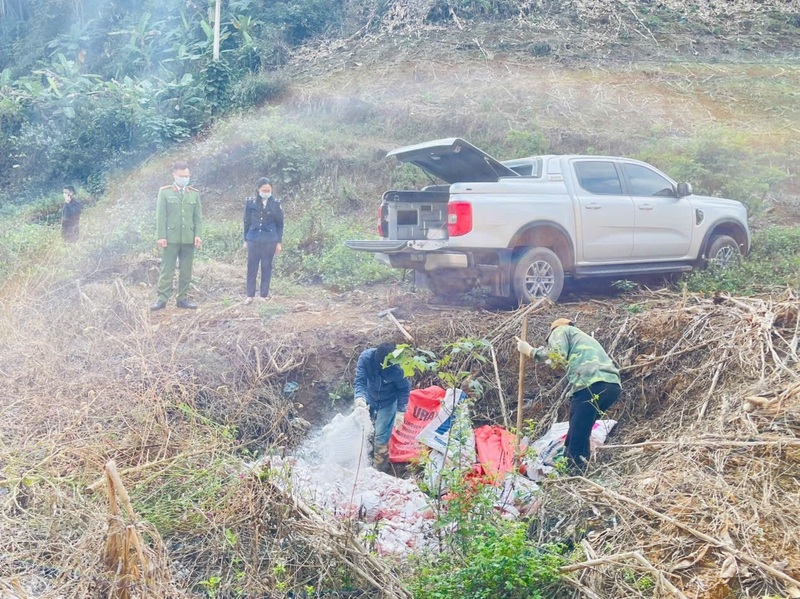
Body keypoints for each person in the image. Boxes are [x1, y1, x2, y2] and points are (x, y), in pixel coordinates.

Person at [516, 318, 621, 472]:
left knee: (577, 432)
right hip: (612, 386)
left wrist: (531, 351)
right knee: (580, 428)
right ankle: (579, 469)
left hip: (590, 383)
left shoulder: (560, 330)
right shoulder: (584, 337)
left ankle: (572, 473)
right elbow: (563, 359)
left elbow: (557, 353)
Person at [151, 161, 202, 311]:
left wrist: (198, 235)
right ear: (174, 175)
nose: (184, 178)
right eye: (181, 176)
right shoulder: (165, 192)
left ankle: (182, 299)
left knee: (186, 270)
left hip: (188, 238)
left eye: (186, 176)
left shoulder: (194, 193)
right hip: (170, 238)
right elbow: (161, 216)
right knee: (167, 269)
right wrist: (161, 236)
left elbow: (197, 217)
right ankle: (162, 299)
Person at [353, 342, 411, 470]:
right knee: (365, 430)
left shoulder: (398, 367)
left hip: (388, 402)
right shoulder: (366, 358)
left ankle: (378, 470)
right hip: (369, 398)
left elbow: (404, 389)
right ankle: (364, 460)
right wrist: (359, 398)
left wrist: (401, 411)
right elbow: (360, 380)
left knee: (381, 437)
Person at [243, 177, 283, 303]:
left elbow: (280, 224)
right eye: (264, 190)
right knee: (252, 267)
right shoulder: (250, 203)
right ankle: (250, 295)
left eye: (268, 190)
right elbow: (246, 221)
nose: (266, 192)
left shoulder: (276, 204)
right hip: (253, 239)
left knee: (266, 267)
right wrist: (245, 239)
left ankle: (263, 295)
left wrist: (279, 242)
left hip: (269, 240)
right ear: (258, 189)